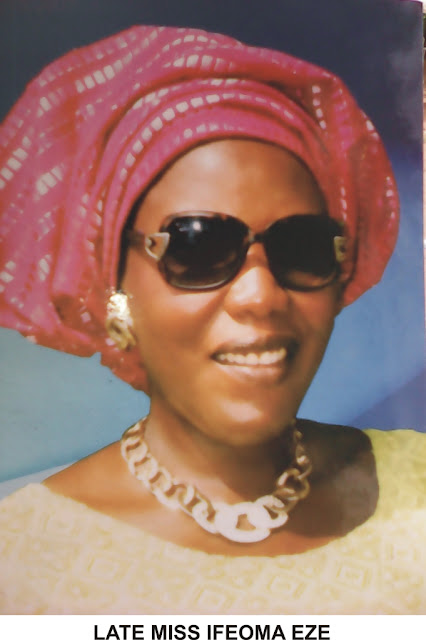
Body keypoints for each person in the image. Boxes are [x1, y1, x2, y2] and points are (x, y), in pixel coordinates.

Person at [0, 24, 424, 615]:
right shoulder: (22, 562)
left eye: (302, 246)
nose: (260, 296)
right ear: (113, 293)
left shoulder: (417, 484)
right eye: (197, 246)